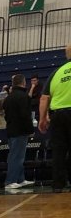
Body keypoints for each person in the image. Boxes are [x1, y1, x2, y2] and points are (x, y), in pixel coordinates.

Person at [38, 43, 71, 193]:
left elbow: (44, 98)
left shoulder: (57, 72)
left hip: (57, 115)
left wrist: (42, 118)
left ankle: (58, 184)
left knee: (58, 151)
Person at [2, 74, 34, 193]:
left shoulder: (8, 98)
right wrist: (30, 130)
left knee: (16, 155)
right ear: (23, 82)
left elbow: (6, 114)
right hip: (20, 130)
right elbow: (26, 115)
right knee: (17, 156)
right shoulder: (23, 96)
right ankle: (10, 181)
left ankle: (20, 179)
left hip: (11, 129)